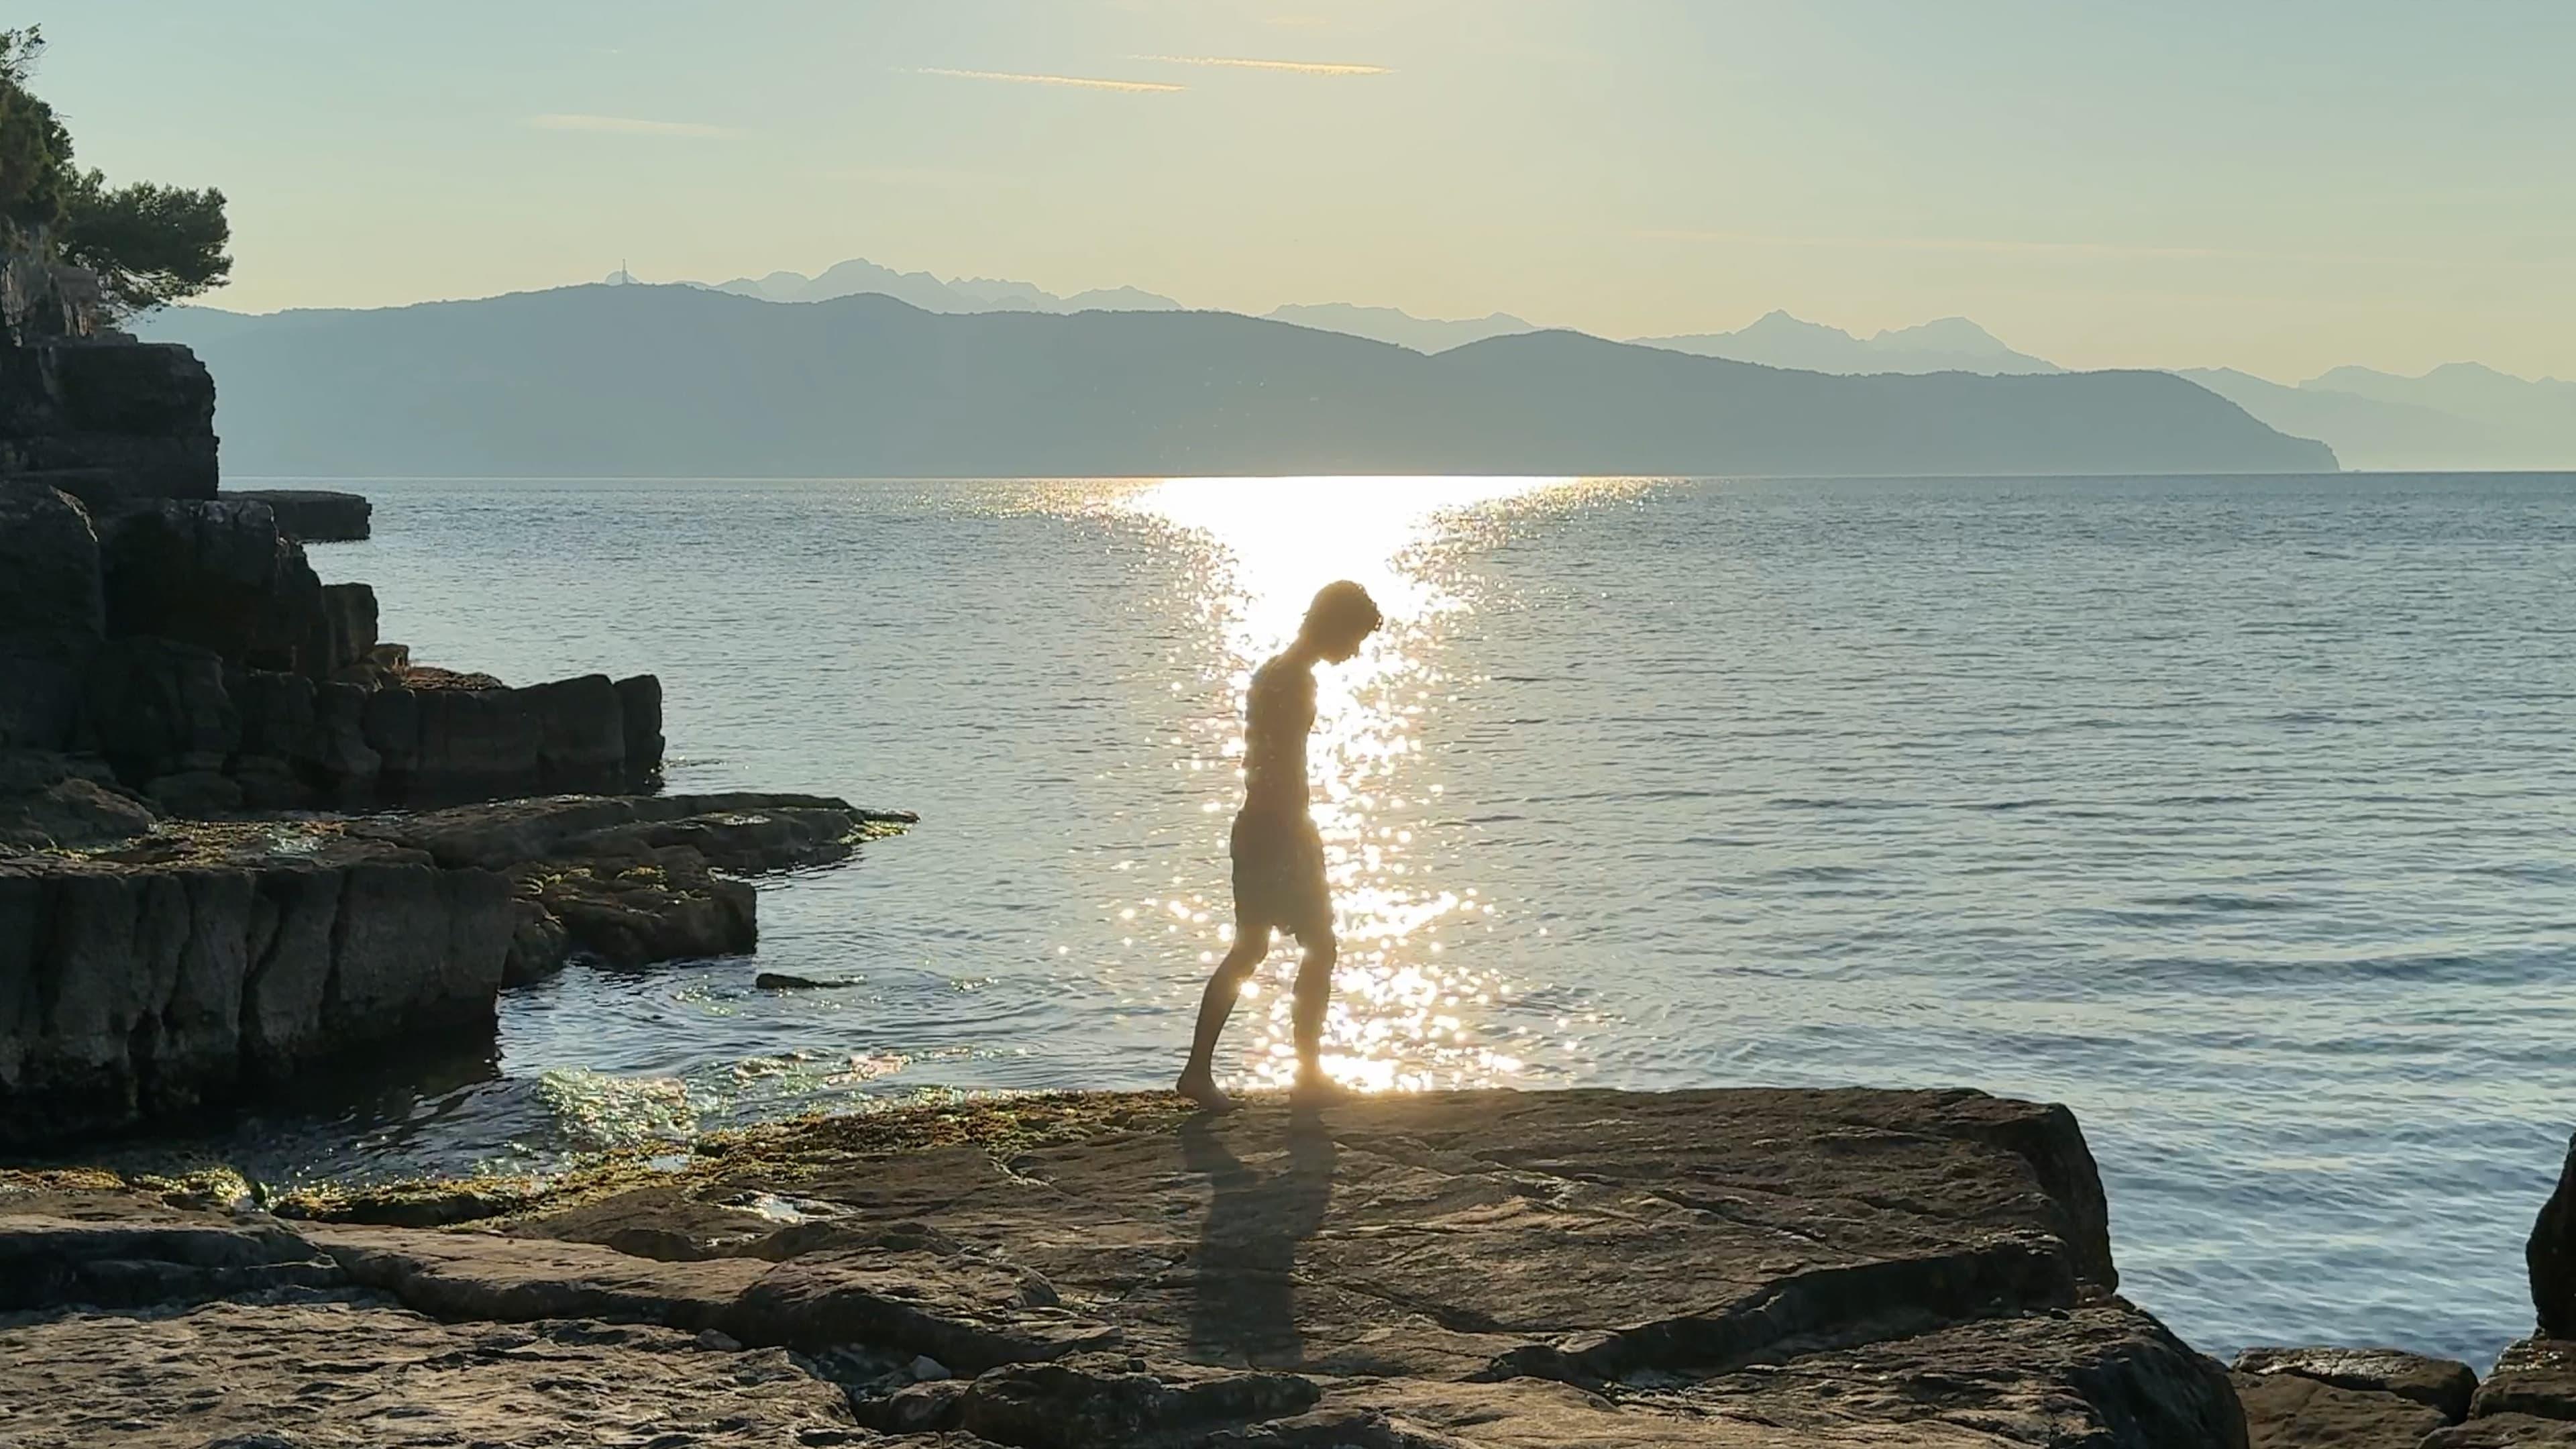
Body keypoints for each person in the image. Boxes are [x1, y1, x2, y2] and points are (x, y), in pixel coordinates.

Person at [1176, 580, 1384, 1110]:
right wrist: (1293, 833)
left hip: (1262, 826)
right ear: (1332, 626)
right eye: (1354, 638)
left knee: (1258, 947)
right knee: (1315, 946)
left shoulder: (1275, 672)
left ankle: (1204, 1071)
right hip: (1278, 829)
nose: (1355, 651)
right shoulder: (1293, 681)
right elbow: (1276, 764)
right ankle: (1303, 1075)